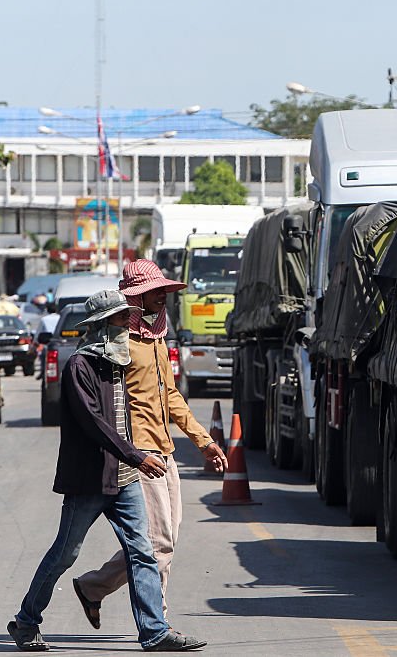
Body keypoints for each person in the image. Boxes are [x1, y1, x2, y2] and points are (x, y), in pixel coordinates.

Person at [7, 289, 206, 652]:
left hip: (124, 477)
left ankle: (154, 632)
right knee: (65, 553)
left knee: (142, 551)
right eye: (119, 320)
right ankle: (25, 622)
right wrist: (136, 455)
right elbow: (94, 423)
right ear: (101, 326)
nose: (126, 326)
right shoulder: (79, 366)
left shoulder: (119, 363)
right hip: (89, 479)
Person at [74, 260, 228, 628]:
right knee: (158, 543)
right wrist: (129, 452)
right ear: (137, 297)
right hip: (138, 454)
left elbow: (170, 395)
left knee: (164, 539)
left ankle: (93, 587)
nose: (164, 297)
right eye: (157, 291)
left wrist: (204, 441)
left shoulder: (157, 339)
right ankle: (157, 623)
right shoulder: (118, 343)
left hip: (165, 450)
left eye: (164, 291)